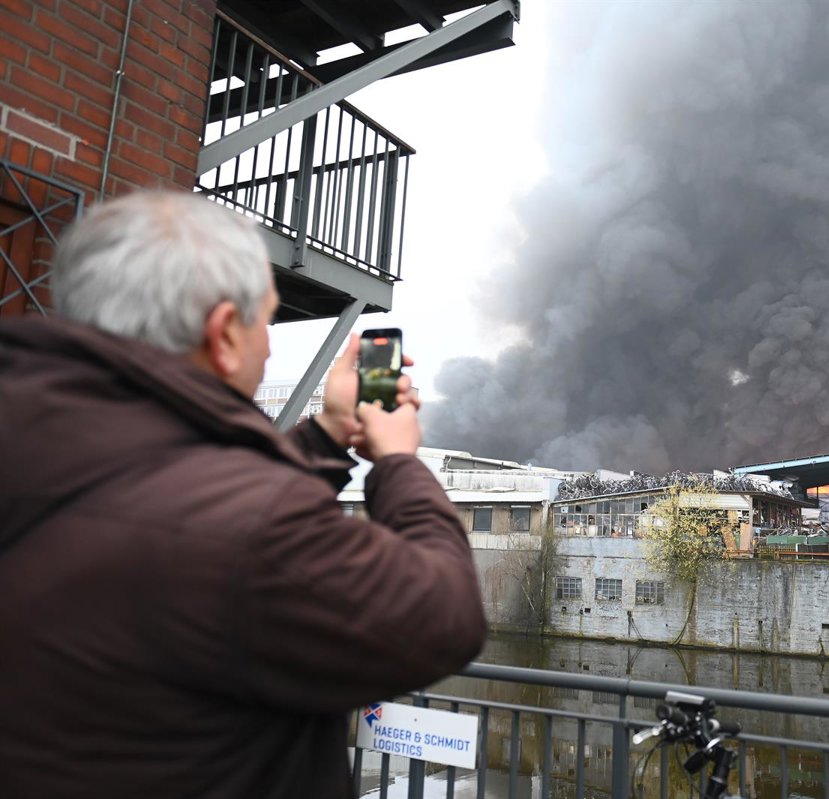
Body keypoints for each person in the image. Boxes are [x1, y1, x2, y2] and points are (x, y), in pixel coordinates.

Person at [0, 191, 487, 798]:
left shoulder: (45, 442)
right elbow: (442, 616)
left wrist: (328, 435)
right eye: (265, 322)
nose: (270, 346)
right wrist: (396, 462)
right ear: (225, 333)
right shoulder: (247, 528)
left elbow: (190, 500)